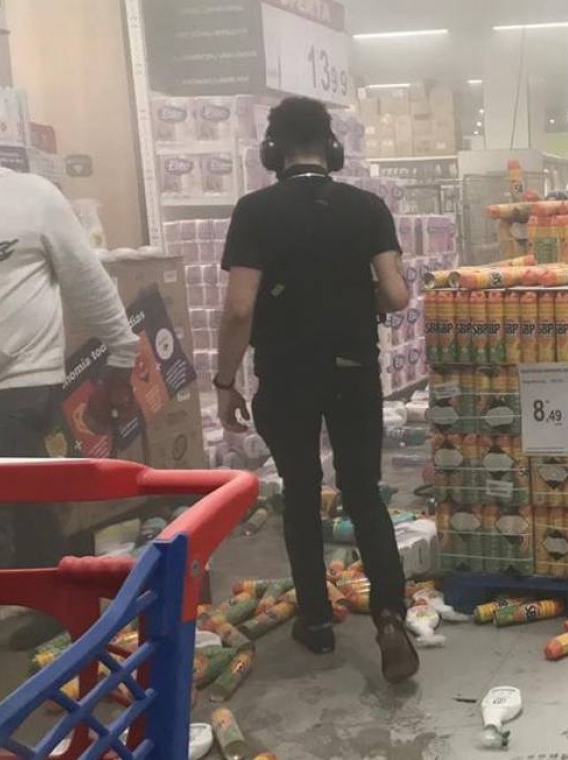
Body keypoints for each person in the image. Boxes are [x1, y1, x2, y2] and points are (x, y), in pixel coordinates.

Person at [214, 96, 418, 684]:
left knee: (301, 492)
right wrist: (356, 301)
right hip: (355, 370)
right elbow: (398, 296)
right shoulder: (367, 208)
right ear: (332, 148)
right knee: (363, 492)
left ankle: (317, 624)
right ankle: (388, 614)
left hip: (285, 373)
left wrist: (226, 382)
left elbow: (238, 308)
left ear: (272, 151)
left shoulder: (254, 211)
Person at [0, 162, 138, 644]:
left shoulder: (31, 197)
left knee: (20, 497)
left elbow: (86, 279)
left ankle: (50, 603)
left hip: (18, 380)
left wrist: (121, 353)